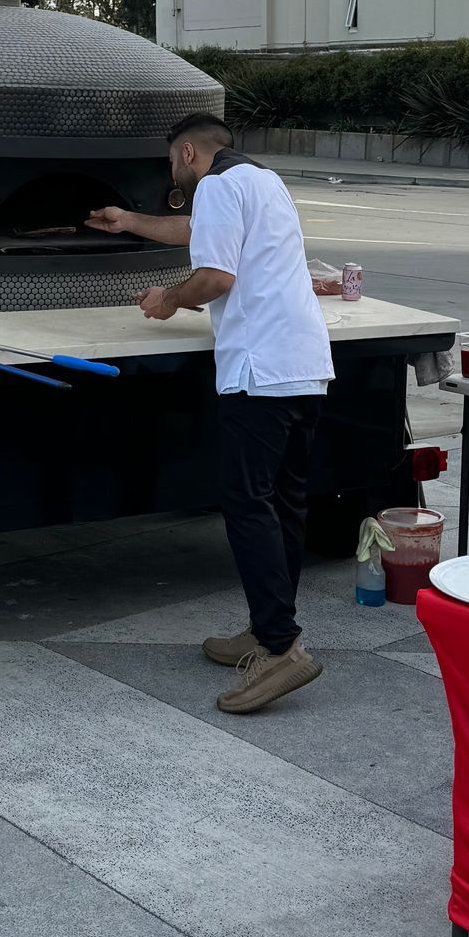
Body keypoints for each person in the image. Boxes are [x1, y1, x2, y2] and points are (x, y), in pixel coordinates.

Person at [88, 114, 332, 714]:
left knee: (248, 504)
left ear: (188, 151)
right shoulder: (261, 179)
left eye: (173, 161)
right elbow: (198, 232)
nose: (173, 172)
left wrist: (167, 299)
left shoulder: (218, 185)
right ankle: (266, 626)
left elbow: (216, 276)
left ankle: (281, 648)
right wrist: (131, 222)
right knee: (283, 502)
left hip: (259, 371)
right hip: (302, 365)